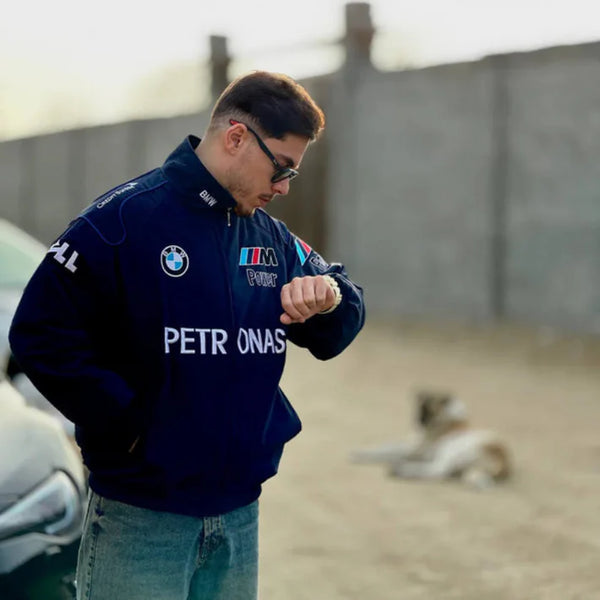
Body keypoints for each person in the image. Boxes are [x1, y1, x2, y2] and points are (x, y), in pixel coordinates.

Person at [9, 71, 365, 600]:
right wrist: (128, 425)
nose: (285, 187)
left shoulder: (271, 238)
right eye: (282, 168)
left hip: (239, 518)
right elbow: (39, 333)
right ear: (237, 137)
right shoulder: (121, 221)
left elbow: (342, 312)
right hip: (141, 519)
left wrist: (329, 295)